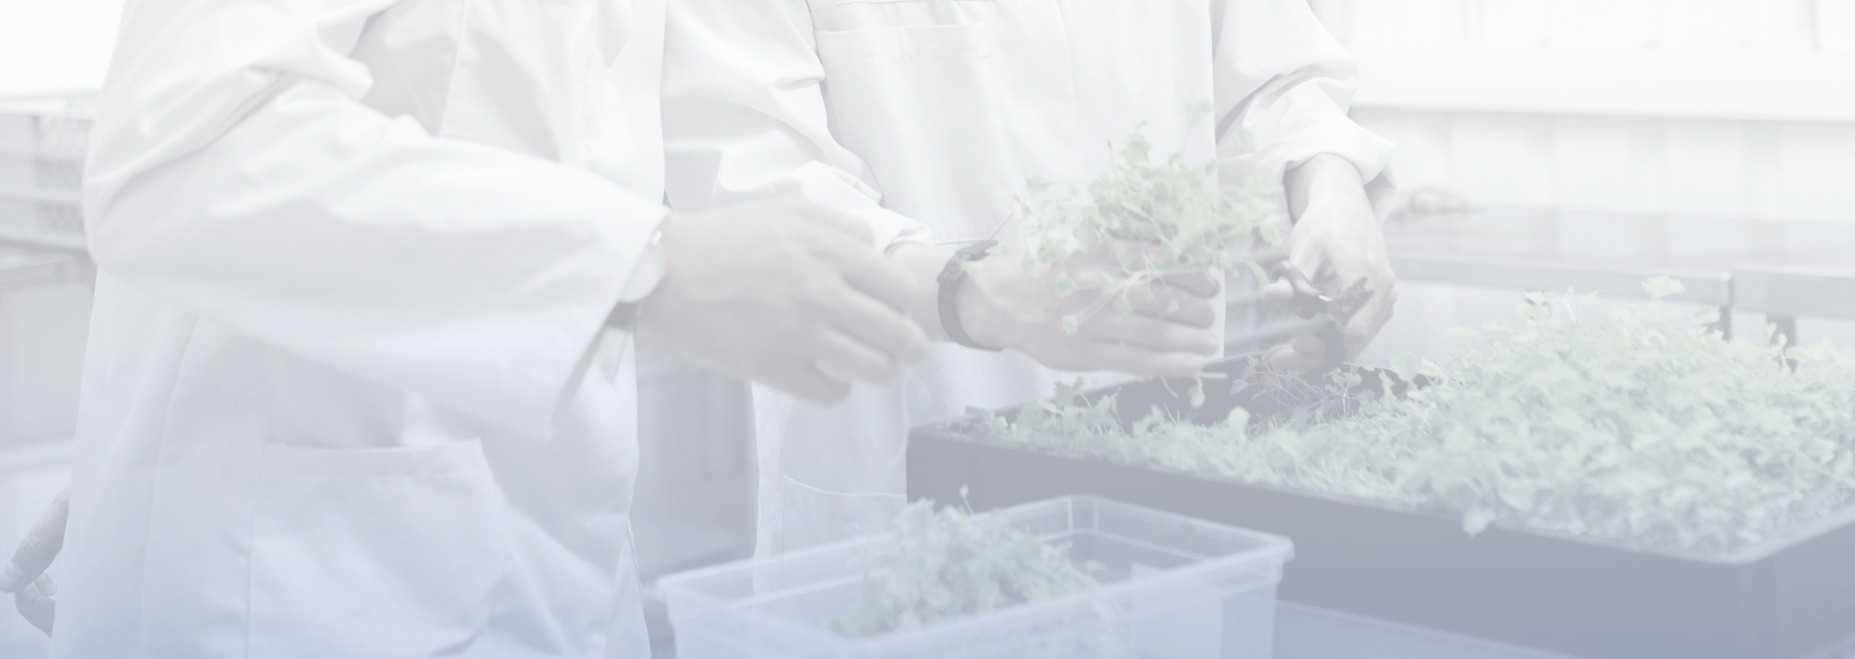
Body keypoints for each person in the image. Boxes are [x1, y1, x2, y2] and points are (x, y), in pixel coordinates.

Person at [13, 0, 934, 656]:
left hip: (549, 550)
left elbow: (713, 136)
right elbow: (175, 155)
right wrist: (640, 265)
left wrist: (960, 286)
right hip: (297, 580)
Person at [662, 0, 1400, 555]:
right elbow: (751, 178)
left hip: (1167, 467)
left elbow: (1271, 79)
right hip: (902, 469)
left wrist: (1330, 188)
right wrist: (978, 295)